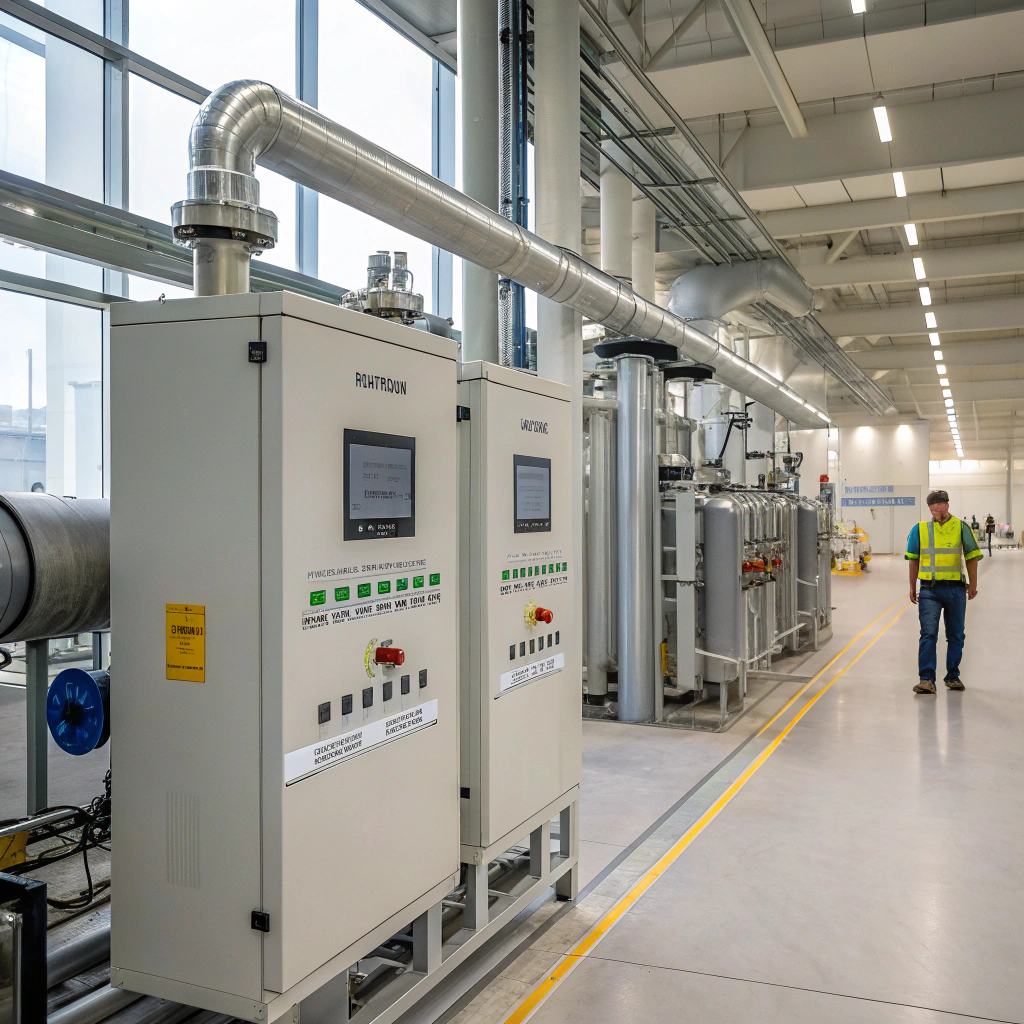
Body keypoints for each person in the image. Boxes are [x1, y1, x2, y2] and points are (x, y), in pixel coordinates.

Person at [906, 490, 982, 695]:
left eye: (940, 504)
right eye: (932, 505)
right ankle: (926, 679)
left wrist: (973, 585)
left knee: (956, 635)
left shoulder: (961, 527)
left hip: (956, 589)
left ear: (947, 505)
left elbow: (972, 557)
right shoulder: (920, 529)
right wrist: (912, 586)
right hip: (929, 589)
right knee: (928, 633)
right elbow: (913, 558)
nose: (936, 508)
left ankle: (953, 676)